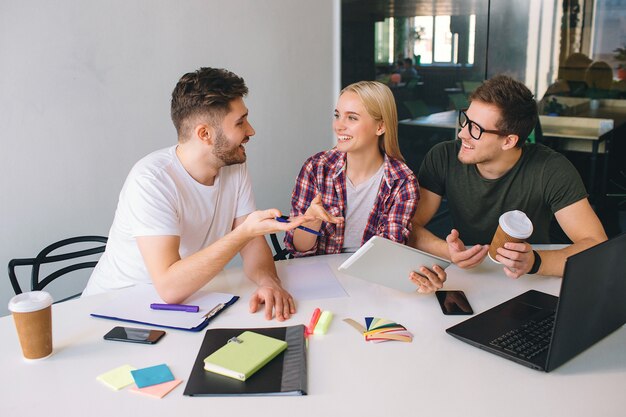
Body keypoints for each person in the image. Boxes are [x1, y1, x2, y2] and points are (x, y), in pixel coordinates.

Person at [83, 67, 311, 321]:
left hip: (183, 305)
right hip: (115, 311)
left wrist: (268, 282)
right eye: (240, 122)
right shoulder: (152, 180)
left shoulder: (233, 164)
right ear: (205, 134)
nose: (251, 131)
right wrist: (244, 232)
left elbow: (251, 243)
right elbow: (169, 287)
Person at [407, 75, 607, 293]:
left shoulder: (551, 168)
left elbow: (596, 245)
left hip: (528, 282)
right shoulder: (443, 156)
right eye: (465, 119)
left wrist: (535, 262)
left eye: (476, 129)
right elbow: (408, 226)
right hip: (467, 279)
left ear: (509, 140)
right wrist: (447, 251)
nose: (462, 133)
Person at [284, 80, 423, 261]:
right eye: (337, 115)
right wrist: (312, 220)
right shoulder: (316, 168)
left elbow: (388, 252)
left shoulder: (402, 181)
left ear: (380, 127)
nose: (339, 126)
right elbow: (299, 249)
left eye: (352, 117)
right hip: (319, 273)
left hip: (371, 271)